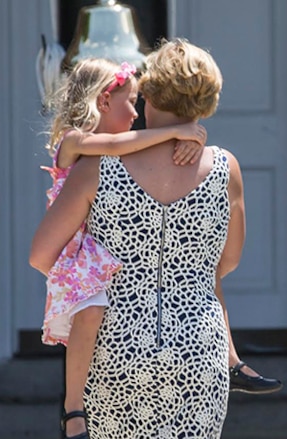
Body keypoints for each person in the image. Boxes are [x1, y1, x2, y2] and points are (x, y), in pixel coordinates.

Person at [30, 39, 242, 438]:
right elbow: (227, 262)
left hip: (115, 344)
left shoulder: (98, 167)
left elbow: (42, 254)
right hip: (199, 346)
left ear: (151, 96)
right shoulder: (225, 168)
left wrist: (83, 278)